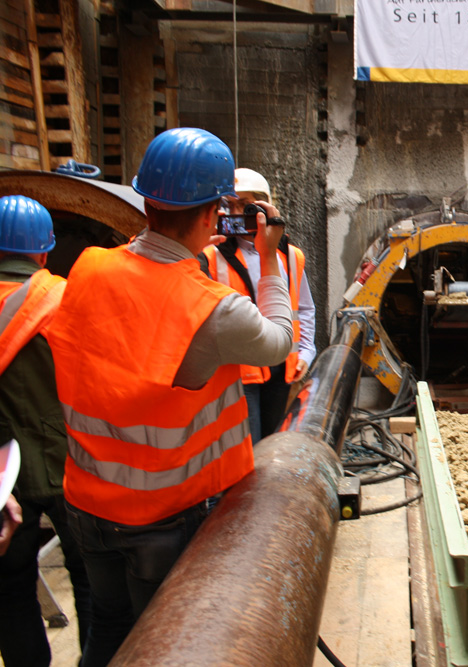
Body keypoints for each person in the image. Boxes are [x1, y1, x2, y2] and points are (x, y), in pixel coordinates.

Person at [46, 128, 293, 667]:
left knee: (109, 629)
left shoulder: (87, 268)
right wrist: (270, 259)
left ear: (146, 199)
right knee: (169, 646)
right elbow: (279, 343)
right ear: (212, 217)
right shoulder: (213, 309)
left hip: (87, 503)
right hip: (164, 517)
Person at [0, 195, 92, 667]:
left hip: (3, 478)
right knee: (90, 580)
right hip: (70, 463)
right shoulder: (64, 297)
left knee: (12, 591)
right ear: (42, 251)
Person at [200, 167, 316, 443]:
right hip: (240, 371)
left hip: (282, 367)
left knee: (276, 442)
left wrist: (306, 352)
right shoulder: (211, 254)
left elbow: (305, 308)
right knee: (248, 446)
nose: (238, 212)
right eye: (230, 205)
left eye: (246, 205)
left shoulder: (290, 255)